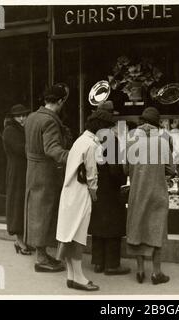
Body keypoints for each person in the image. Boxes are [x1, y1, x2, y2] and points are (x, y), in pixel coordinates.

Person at [56, 110, 115, 291]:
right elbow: (91, 174)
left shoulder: (80, 141)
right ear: (101, 128)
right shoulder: (91, 145)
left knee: (69, 234)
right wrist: (95, 193)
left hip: (69, 193)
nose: (109, 133)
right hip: (81, 194)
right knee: (79, 236)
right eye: (108, 129)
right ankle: (79, 277)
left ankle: (71, 275)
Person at [125, 107, 176, 285]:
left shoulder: (131, 140)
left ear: (141, 121)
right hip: (157, 192)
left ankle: (140, 271)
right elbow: (171, 169)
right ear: (157, 123)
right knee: (156, 229)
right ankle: (156, 272)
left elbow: (125, 168)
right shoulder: (163, 141)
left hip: (137, 192)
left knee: (138, 227)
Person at [24, 83, 70, 272]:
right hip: (46, 172)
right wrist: (73, 157)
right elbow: (52, 149)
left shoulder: (32, 117)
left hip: (33, 169)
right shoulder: (50, 121)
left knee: (36, 210)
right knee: (44, 213)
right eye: (63, 102)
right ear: (59, 101)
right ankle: (41, 259)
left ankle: (41, 254)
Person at [88, 101, 130, 275]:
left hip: (96, 185)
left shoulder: (92, 135)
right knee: (113, 225)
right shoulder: (110, 138)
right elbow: (114, 168)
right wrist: (123, 178)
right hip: (110, 188)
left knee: (98, 223)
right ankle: (112, 264)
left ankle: (98, 262)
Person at [2, 104, 31, 255]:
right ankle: (20, 242)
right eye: (18, 116)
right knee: (17, 206)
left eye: (24, 115)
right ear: (13, 117)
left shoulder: (23, 129)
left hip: (25, 171)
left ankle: (22, 241)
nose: (21, 118)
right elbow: (21, 149)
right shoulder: (10, 131)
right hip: (17, 173)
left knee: (24, 205)